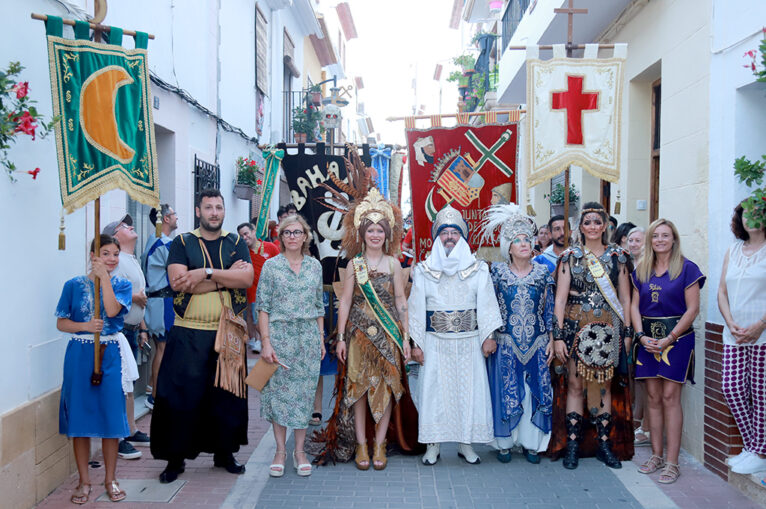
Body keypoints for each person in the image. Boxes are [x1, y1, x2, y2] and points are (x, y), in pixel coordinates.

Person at [312, 187, 421, 470]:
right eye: (370, 229)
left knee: (386, 388)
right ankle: (362, 443)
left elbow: (400, 301)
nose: (375, 235)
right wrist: (341, 338)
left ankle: (380, 443)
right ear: (362, 234)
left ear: (388, 234)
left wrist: (406, 338)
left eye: (380, 230)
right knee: (358, 389)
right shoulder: (354, 265)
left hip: (388, 335)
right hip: (358, 336)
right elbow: (345, 302)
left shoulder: (394, 264)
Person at [150, 189, 253, 483]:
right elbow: (179, 283)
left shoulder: (235, 242)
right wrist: (223, 277)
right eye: (208, 207)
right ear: (198, 211)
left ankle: (225, 453)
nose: (214, 212)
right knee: (180, 398)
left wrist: (204, 273)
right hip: (188, 332)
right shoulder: (183, 242)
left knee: (226, 397)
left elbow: (245, 279)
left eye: (219, 207)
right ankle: (175, 459)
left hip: (227, 333)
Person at [408, 205, 503, 465]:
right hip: (435, 342)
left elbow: (486, 303)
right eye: (444, 232)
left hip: (469, 342)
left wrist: (488, 336)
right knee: (434, 394)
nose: (449, 237)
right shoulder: (424, 270)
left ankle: (466, 443)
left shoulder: (478, 269)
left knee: (468, 393)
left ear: (462, 236)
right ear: (437, 237)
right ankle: (433, 445)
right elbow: (416, 308)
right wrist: (416, 343)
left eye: (454, 232)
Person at [550, 202, 633, 470]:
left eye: (598, 222)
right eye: (588, 222)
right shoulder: (570, 257)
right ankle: (573, 445)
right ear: (580, 227)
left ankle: (604, 445)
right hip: (575, 328)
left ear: (606, 225)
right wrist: (558, 336)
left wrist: (628, 332)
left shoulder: (618, 257)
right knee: (575, 386)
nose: (593, 227)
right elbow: (559, 301)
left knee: (604, 387)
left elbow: (626, 299)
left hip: (608, 329)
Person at [56, 234, 137, 503]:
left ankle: (111, 478)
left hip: (110, 352)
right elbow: (62, 323)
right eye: (105, 253)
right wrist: (84, 327)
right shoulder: (73, 285)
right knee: (79, 418)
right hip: (80, 353)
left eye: (115, 254)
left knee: (111, 417)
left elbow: (113, 311)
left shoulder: (122, 285)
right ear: (93, 255)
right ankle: (83, 481)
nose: (112, 259)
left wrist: (104, 280)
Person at [631, 218, 704, 483]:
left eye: (666, 235)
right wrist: (640, 336)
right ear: (650, 240)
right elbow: (634, 306)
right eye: (655, 236)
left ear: (674, 239)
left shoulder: (687, 268)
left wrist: (671, 337)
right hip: (648, 340)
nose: (660, 240)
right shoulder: (642, 269)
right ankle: (656, 455)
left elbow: (692, 309)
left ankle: (672, 462)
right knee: (652, 397)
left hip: (678, 339)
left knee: (671, 396)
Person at [480, 205, 555, 464]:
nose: (524, 244)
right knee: (505, 391)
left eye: (527, 239)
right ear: (508, 247)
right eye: (517, 240)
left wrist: (552, 340)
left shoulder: (544, 272)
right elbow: (489, 308)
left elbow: (549, 309)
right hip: (505, 342)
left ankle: (531, 444)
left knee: (535, 391)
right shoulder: (497, 273)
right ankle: (504, 443)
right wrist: (489, 336)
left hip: (537, 343)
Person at [257, 214, 325, 477]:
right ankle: (279, 451)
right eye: (287, 233)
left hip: (307, 336)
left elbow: (319, 306)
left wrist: (320, 338)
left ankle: (299, 451)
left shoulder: (314, 267)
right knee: (278, 395)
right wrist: (265, 342)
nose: (292, 237)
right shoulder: (271, 266)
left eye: (297, 232)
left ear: (305, 236)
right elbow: (263, 307)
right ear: (281, 236)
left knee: (304, 394)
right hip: (279, 336)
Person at [717, 202, 766, 475]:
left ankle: (758, 451)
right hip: (733, 333)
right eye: (746, 213)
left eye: (758, 212)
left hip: (762, 334)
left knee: (761, 394)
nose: (751, 218)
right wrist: (730, 322)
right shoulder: (733, 250)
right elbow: (722, 291)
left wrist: (760, 325)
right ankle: (753, 446)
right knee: (732, 389)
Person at [104, 214, 150, 459]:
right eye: (124, 225)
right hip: (118, 330)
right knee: (120, 385)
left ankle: (130, 429)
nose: (131, 226)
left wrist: (142, 326)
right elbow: (108, 290)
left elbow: (139, 294)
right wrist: (134, 299)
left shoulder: (130, 259)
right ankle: (119, 435)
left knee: (129, 383)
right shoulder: (116, 260)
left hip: (131, 329)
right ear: (115, 236)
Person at [142, 204, 178, 411]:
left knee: (162, 348)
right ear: (165, 219)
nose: (176, 218)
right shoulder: (164, 244)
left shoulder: (151, 241)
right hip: (162, 301)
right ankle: (156, 395)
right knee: (164, 349)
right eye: (173, 215)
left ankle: (154, 390)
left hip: (157, 301)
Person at [237, 222, 279, 353]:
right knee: (255, 320)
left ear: (253, 231)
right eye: (241, 236)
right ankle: (258, 341)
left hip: (272, 293)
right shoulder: (243, 253)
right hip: (252, 292)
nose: (244, 237)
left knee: (269, 321)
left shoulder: (270, 247)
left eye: (246, 233)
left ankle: (267, 343)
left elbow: (280, 266)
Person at [624, 225, 649, 446]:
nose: (633, 244)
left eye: (638, 240)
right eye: (630, 240)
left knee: (645, 379)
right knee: (636, 376)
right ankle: (637, 417)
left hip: (647, 328)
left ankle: (645, 424)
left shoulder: (649, 267)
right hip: (632, 327)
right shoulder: (630, 265)